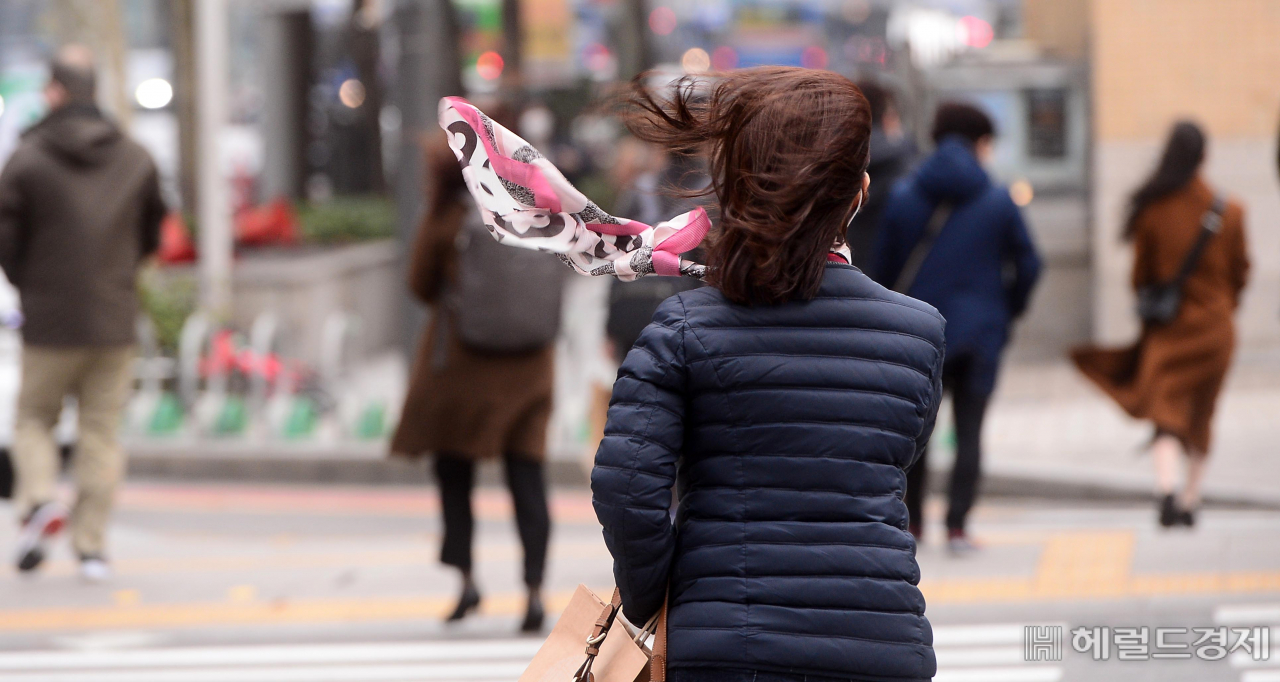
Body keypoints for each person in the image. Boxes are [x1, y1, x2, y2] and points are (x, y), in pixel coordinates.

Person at [592, 67, 946, 682]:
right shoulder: (916, 334)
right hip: (880, 644)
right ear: (858, 191)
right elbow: (893, 460)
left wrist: (653, 600)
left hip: (729, 646)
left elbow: (627, 489)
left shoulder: (683, 328)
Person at [0, 46, 166, 581]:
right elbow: (150, 235)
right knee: (100, 431)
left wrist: (31, 284)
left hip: (49, 320)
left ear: (54, 92)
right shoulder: (136, 158)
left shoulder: (26, 159)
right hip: (113, 318)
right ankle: (91, 547)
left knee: (33, 420)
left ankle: (40, 500)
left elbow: (6, 239)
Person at [390, 123, 560, 633]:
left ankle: (466, 581)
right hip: (531, 367)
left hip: (461, 369)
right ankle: (533, 590)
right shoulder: (536, 209)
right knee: (527, 478)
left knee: (454, 473)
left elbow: (419, 284)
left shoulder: (450, 213)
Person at [873, 102, 1041, 553]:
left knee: (917, 432)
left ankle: (912, 527)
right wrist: (1008, 309)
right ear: (979, 143)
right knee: (970, 432)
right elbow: (1030, 263)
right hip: (981, 333)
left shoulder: (907, 195)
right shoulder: (998, 199)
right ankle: (958, 527)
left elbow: (882, 270)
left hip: (919, 335)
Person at [1072, 121, 1248, 528]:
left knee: (1165, 409)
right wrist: (1222, 307)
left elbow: (1142, 278)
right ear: (1205, 156)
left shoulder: (1154, 211)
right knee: (1203, 411)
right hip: (1218, 330)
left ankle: (1166, 490)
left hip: (1171, 330)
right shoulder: (1232, 212)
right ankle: (1191, 498)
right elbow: (1241, 272)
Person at [847, 80, 917, 271]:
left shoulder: (827, 165)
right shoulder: (910, 169)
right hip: (893, 287)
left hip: (840, 275)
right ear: (887, 118)